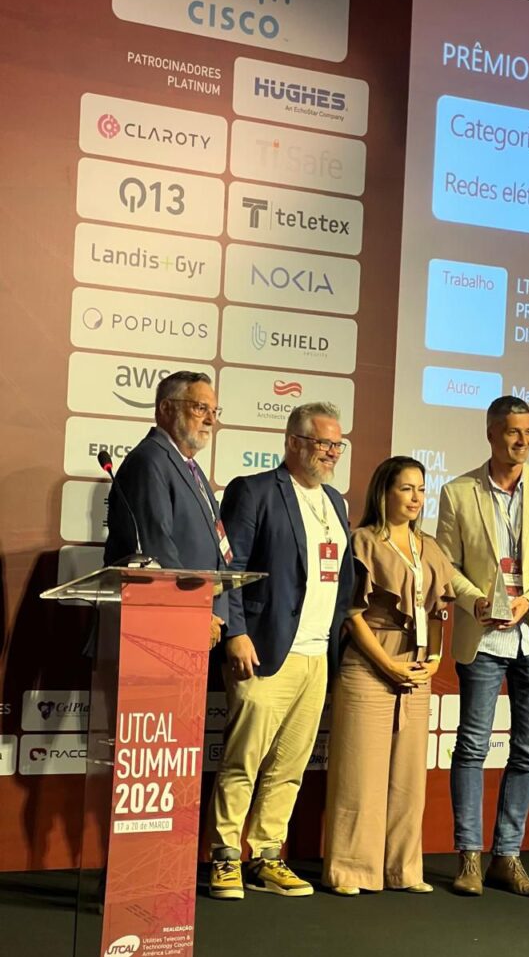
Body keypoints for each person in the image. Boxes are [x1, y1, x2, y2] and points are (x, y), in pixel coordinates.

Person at [437, 395, 529, 897]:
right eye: (514, 432)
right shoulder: (458, 491)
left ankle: (508, 856)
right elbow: (446, 564)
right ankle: (469, 858)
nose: (523, 441)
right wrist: (475, 600)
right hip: (484, 636)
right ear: (492, 434)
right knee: (472, 746)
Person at [208, 402, 353, 899]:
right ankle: (225, 856)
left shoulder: (335, 502)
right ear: (293, 442)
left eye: (337, 444)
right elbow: (229, 568)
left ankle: (266, 856)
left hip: (316, 655)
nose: (331, 453)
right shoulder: (254, 491)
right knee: (243, 760)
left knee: (289, 767)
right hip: (265, 650)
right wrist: (235, 631)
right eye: (322, 443)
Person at [323, 457, 454, 896]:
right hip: (369, 663)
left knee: (409, 780)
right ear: (385, 492)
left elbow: (439, 610)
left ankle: (404, 870)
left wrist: (436, 657)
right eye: (406, 489)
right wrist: (385, 663)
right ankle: (351, 872)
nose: (416, 498)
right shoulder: (362, 542)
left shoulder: (429, 546)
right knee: (360, 774)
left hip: (416, 668)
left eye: (421, 489)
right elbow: (352, 614)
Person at [104, 370, 229, 648]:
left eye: (214, 411)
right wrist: (195, 611)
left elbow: (218, 547)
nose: (211, 420)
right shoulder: (149, 461)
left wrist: (216, 613)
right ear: (166, 408)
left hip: (192, 623)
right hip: (156, 628)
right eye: (200, 408)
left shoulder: (190, 467)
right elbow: (156, 548)